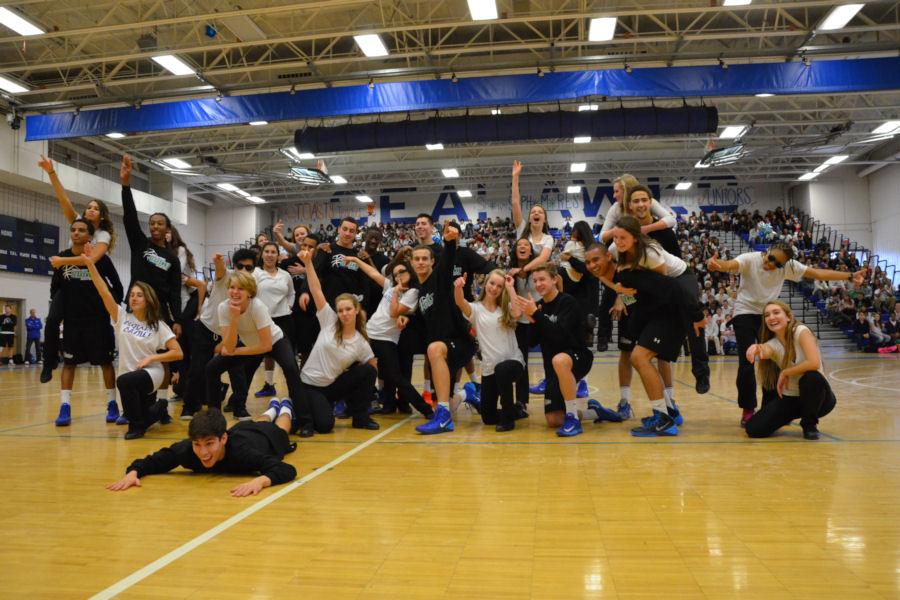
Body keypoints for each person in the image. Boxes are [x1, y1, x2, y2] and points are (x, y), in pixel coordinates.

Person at [707, 241, 865, 426]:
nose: (771, 265)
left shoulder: (790, 267)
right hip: (745, 313)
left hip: (768, 316)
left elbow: (817, 273)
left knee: (772, 363)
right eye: (771, 259)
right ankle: (748, 408)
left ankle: (770, 406)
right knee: (747, 362)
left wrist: (850, 275)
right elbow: (731, 264)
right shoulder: (750, 259)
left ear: (785, 264)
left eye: (778, 264)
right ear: (767, 251)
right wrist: (718, 264)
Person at [82, 245, 182, 440]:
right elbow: (104, 291)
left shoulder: (158, 325)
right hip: (130, 376)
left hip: (151, 373)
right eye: (132, 295)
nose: (134, 298)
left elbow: (178, 352)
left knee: (125, 386)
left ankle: (136, 428)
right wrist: (89, 264)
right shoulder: (121, 317)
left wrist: (153, 357)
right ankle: (158, 409)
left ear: (148, 299)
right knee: (143, 413)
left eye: (139, 295)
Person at [38, 154, 118, 382]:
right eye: (88, 207)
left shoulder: (102, 235)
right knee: (52, 320)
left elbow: (91, 260)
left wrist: (61, 262)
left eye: (95, 208)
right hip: (68, 284)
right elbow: (63, 199)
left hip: (87, 286)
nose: (90, 210)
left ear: (101, 216)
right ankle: (49, 361)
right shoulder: (78, 224)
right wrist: (51, 172)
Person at [107, 408, 297, 496]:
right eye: (197, 444)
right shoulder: (187, 450)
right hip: (242, 429)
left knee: (280, 429)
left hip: (264, 437)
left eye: (209, 443)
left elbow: (286, 469)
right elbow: (154, 460)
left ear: (223, 439)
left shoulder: (243, 453)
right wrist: (133, 473)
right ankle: (272, 407)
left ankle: (285, 408)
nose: (203, 452)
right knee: (260, 419)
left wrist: (260, 480)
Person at [205, 270, 309, 426]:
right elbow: (229, 345)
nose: (235, 292)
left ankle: (305, 420)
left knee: (291, 369)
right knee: (212, 368)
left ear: (249, 292)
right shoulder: (224, 307)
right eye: (232, 287)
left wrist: (235, 351)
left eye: (240, 288)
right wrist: (234, 319)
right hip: (250, 344)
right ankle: (214, 421)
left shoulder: (257, 307)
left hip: (275, 342)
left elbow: (266, 346)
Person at [120, 155, 182, 408]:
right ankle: (137, 401)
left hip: (158, 312)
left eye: (160, 223)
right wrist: (126, 185)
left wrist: (176, 319)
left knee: (161, 358)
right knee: (133, 353)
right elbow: (129, 216)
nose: (155, 226)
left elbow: (176, 292)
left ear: (167, 229)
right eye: (152, 223)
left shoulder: (172, 258)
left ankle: (163, 404)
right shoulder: (139, 245)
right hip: (134, 308)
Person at [297, 247, 380, 434]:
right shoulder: (329, 320)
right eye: (341, 310)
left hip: (332, 387)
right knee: (325, 426)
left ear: (356, 310)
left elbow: (372, 367)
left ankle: (360, 417)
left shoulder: (361, 342)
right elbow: (316, 289)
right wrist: (309, 263)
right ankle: (294, 407)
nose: (344, 313)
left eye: (348, 309)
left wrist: (363, 395)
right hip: (310, 386)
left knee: (367, 370)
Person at [50, 219, 124, 427]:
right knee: (69, 363)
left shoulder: (102, 260)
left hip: (98, 321)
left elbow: (117, 288)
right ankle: (65, 407)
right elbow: (55, 289)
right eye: (73, 230)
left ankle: (112, 403)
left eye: (81, 230)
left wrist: (111, 308)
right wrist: (60, 312)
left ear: (90, 236)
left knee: (106, 363)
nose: (76, 233)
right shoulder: (62, 258)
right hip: (73, 322)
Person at [342, 252, 432, 418]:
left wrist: (396, 293)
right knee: (351, 366)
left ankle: (425, 409)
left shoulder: (412, 293)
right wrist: (355, 259)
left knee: (396, 376)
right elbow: (372, 273)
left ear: (409, 272)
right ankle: (351, 407)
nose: (398, 275)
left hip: (385, 339)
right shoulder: (390, 286)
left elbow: (393, 313)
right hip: (368, 334)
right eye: (395, 273)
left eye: (402, 272)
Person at [413, 223, 476, 435]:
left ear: (432, 262)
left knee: (434, 349)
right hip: (443, 350)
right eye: (417, 259)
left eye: (425, 259)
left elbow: (447, 263)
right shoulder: (421, 293)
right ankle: (468, 394)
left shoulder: (438, 279)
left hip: (458, 343)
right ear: (412, 263)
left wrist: (449, 242)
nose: (421, 262)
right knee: (450, 402)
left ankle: (443, 419)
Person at [515, 264, 593, 437]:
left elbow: (560, 336)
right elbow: (531, 341)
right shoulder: (538, 307)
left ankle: (572, 417)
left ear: (554, 280)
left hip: (577, 357)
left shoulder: (568, 302)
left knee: (559, 359)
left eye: (542, 279)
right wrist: (531, 319)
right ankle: (594, 412)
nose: (538, 284)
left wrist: (536, 316)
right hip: (552, 369)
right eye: (535, 281)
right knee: (553, 420)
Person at [744, 301, 835, 440]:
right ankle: (792, 416)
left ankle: (809, 424)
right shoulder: (773, 343)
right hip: (791, 399)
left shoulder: (801, 331)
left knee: (812, 377)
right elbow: (765, 349)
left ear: (788, 316)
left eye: (776, 312)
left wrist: (786, 372)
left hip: (820, 399)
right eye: (767, 315)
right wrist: (756, 348)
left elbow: (814, 362)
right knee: (754, 429)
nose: (771, 317)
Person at [180, 250, 249, 420]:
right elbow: (220, 270)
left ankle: (239, 407)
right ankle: (189, 406)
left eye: (248, 267)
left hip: (232, 333)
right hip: (206, 329)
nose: (243, 270)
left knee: (237, 372)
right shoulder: (227, 277)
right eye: (240, 266)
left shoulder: (252, 285)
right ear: (234, 266)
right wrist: (218, 261)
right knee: (197, 369)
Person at [454, 270, 525, 432]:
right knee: (488, 418)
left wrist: (510, 287)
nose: (494, 288)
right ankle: (515, 410)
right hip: (490, 369)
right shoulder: (476, 309)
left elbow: (517, 312)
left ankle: (508, 420)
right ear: (486, 283)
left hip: (514, 363)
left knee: (502, 370)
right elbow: (460, 302)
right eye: (492, 283)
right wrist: (458, 287)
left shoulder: (505, 308)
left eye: (499, 286)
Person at [250, 242, 296, 398]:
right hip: (262, 321)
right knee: (259, 358)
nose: (270, 255)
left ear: (278, 255)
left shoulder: (285, 275)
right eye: (267, 251)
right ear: (262, 255)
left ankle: (295, 395)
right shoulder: (255, 274)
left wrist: (290, 305)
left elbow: (291, 293)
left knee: (288, 361)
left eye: (273, 252)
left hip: (284, 320)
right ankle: (265, 387)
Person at [166, 226, 206, 401]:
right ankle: (181, 390)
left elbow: (176, 272)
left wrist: (196, 312)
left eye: (168, 232)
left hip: (187, 309)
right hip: (172, 311)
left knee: (191, 353)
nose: (165, 234)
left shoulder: (180, 251)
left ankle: (195, 392)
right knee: (178, 354)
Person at [510, 160, 553, 272]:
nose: (536, 213)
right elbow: (515, 203)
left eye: (540, 212)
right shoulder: (522, 229)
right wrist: (515, 177)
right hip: (520, 279)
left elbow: (543, 258)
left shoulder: (548, 239)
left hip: (538, 281)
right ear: (529, 219)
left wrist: (522, 270)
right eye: (533, 212)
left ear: (545, 220)